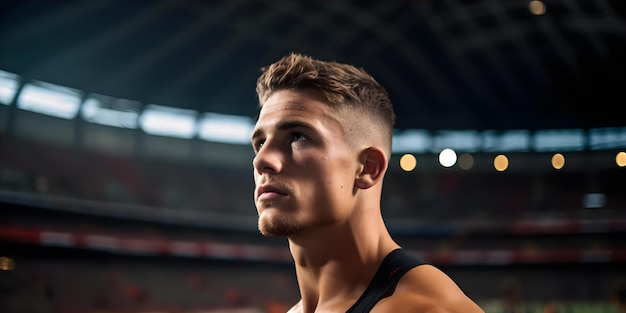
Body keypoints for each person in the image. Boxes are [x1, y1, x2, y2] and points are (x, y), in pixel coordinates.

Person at [251, 52, 484, 313]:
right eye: (260, 143)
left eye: (297, 137)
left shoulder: (430, 309)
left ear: (367, 168)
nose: (261, 160)